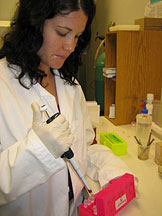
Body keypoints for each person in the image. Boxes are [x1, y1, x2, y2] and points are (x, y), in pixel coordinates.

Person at [0, 0, 136, 216]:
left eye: (77, 36)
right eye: (63, 33)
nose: (71, 46)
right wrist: (38, 151)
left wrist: (115, 172)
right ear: (34, 24)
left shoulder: (70, 86)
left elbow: (83, 148)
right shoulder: (3, 86)